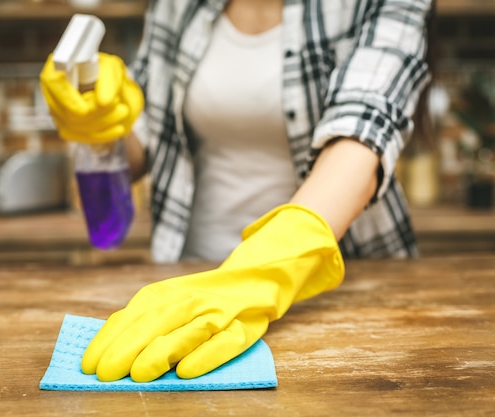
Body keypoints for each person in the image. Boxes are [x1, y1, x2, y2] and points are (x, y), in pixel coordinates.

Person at [40, 0, 433, 383]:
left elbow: (364, 133)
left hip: (335, 298)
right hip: (189, 282)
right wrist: (100, 122)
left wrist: (256, 275)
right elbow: (147, 147)